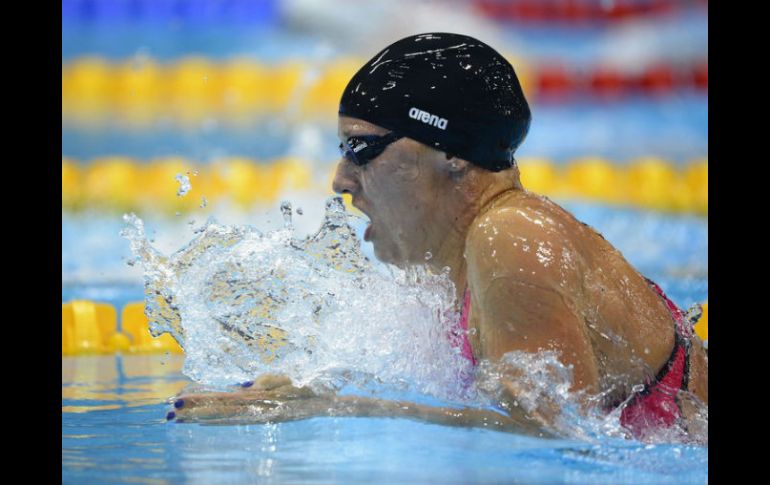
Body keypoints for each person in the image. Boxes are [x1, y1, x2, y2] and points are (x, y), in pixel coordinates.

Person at [170, 33, 708, 441]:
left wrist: (337, 409)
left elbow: (554, 439)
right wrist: (313, 386)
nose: (340, 180)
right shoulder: (460, 265)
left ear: (450, 153)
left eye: (362, 148)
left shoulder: (511, 235)